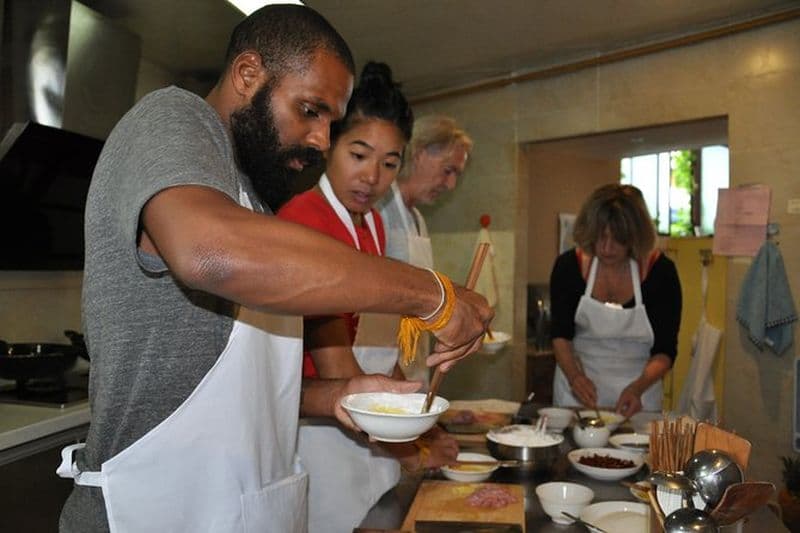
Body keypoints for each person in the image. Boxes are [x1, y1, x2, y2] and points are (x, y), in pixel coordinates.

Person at [57, 6, 492, 533]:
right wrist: (432, 296)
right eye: (310, 110)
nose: (320, 140)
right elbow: (209, 251)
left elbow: (235, 391)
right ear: (247, 75)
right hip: (153, 510)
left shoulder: (254, 203)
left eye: (331, 122)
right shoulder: (169, 118)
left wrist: (333, 396)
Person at [277, 61, 459, 532]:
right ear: (331, 144)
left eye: (389, 163)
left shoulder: (373, 224)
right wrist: (408, 444)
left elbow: (380, 350)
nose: (372, 177)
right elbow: (336, 363)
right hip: (319, 432)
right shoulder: (306, 220)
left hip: (367, 429)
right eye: (359, 154)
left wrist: (418, 418)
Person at [549, 183, 681, 418]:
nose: (607, 248)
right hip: (576, 392)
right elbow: (560, 335)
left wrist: (637, 388)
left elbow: (665, 350)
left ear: (635, 237)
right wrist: (575, 377)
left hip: (640, 394)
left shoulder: (660, 272)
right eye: (601, 237)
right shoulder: (569, 267)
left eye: (618, 239)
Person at [376, 115, 473, 382]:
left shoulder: (417, 218)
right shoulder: (379, 207)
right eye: (447, 170)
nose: (451, 185)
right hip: (379, 363)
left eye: (456, 175)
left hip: (414, 361)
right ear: (419, 154)